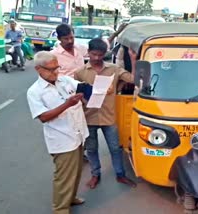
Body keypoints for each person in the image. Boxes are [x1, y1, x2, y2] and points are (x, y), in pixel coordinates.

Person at [26, 51, 89, 214]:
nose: (56, 72)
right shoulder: (35, 92)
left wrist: (97, 89)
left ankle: (71, 198)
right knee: (63, 176)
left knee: (76, 172)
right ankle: (60, 208)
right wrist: (67, 104)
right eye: (51, 69)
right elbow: (44, 117)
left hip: (78, 133)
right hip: (62, 139)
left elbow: (81, 87)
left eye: (57, 68)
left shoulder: (63, 80)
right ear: (39, 69)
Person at [74, 38, 137, 189]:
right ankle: (95, 175)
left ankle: (120, 175)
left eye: (100, 55)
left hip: (109, 118)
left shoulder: (114, 69)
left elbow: (134, 79)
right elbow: (76, 95)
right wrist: (84, 100)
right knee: (92, 149)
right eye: (94, 54)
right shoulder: (79, 73)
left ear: (105, 54)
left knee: (115, 148)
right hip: (89, 118)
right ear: (88, 53)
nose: (96, 58)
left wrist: (133, 59)